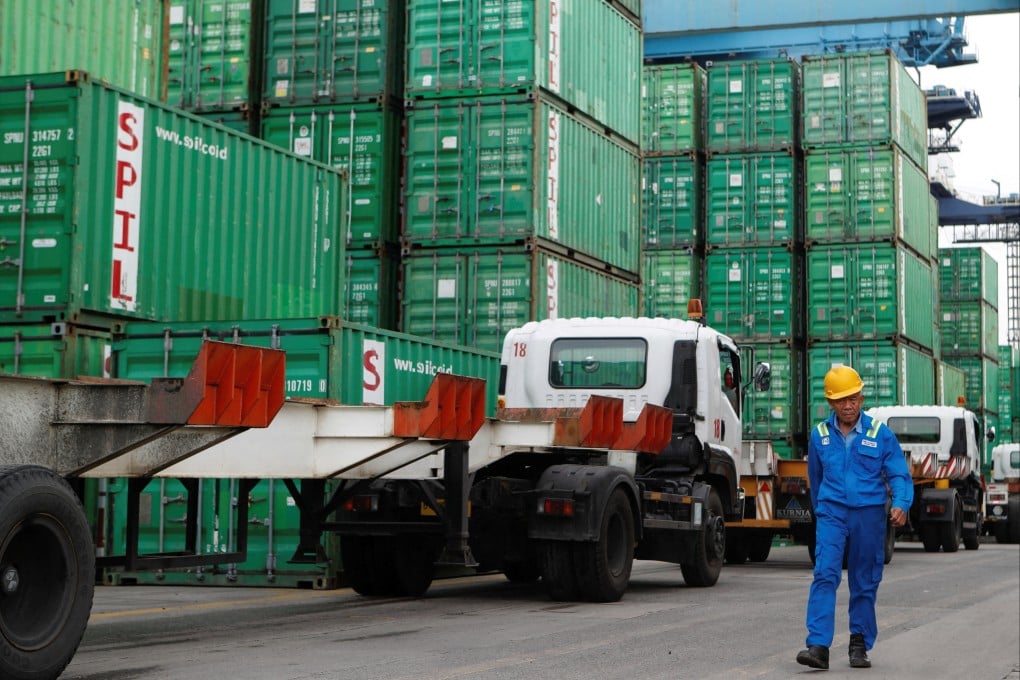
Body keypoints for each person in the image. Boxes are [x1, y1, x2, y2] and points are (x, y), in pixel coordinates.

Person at [796, 365, 913, 670]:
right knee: (825, 574)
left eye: (854, 399)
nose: (848, 406)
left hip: (869, 516)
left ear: (862, 398)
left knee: (864, 579)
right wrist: (822, 510)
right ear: (831, 403)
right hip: (832, 514)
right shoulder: (819, 435)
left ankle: (858, 644)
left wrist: (900, 502)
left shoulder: (880, 434)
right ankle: (818, 646)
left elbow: (899, 474)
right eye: (841, 400)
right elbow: (816, 479)